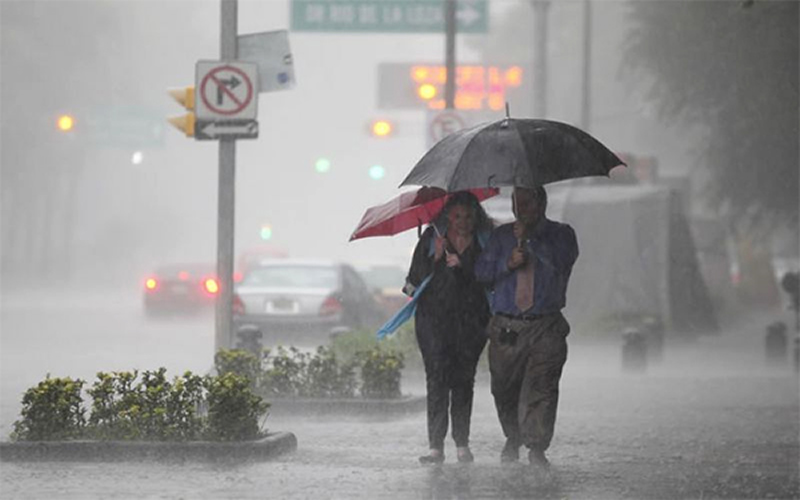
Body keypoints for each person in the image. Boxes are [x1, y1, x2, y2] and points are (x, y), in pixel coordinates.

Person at [474, 186, 579, 469]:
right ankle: (513, 436)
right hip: (507, 325)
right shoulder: (500, 237)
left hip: (545, 325)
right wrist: (508, 264)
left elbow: (561, 263)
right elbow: (482, 273)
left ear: (541, 203)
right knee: (504, 388)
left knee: (541, 388)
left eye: (527, 203)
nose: (521, 210)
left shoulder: (562, 234)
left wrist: (531, 242)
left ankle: (536, 445)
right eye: (516, 203)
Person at [404, 191, 494, 464]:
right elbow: (411, 283)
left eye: (468, 216)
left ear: (477, 217)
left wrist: (464, 265)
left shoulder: (486, 243)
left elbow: (493, 277)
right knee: (437, 379)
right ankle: (435, 446)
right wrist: (435, 258)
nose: (463, 222)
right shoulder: (431, 240)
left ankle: (462, 444)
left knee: (464, 381)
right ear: (447, 217)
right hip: (434, 322)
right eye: (457, 216)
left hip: (471, 323)